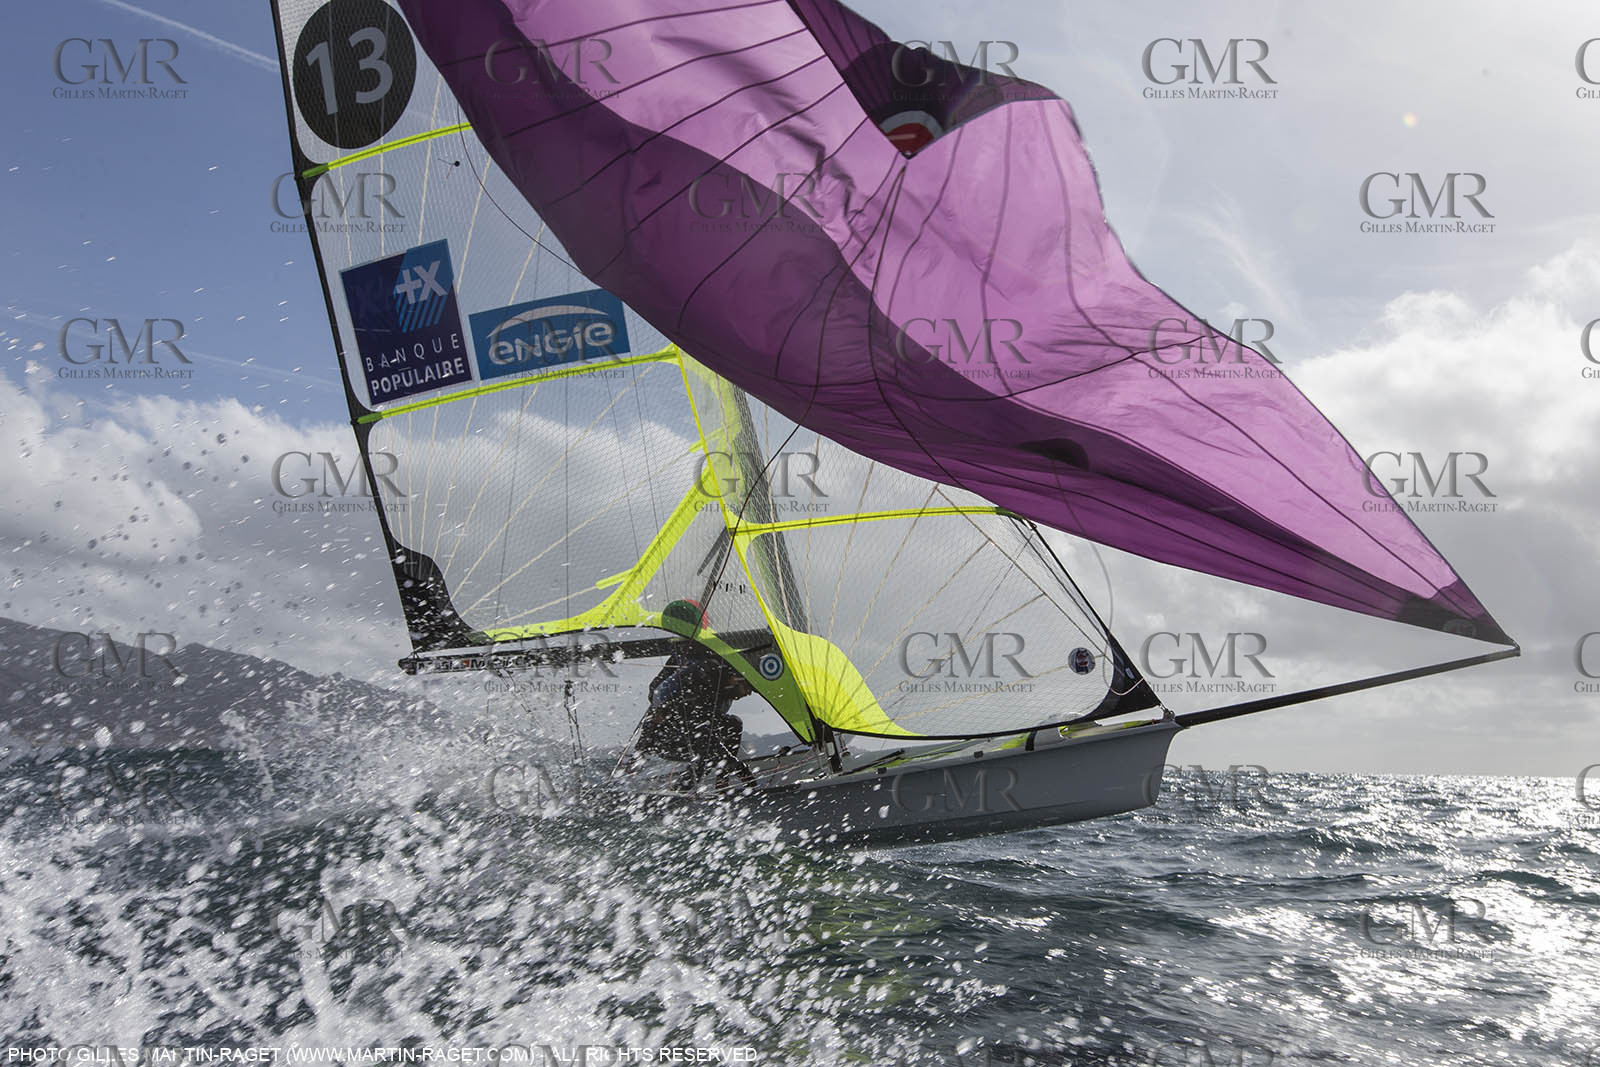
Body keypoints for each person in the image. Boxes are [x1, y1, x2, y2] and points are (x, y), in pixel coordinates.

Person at [634, 600, 756, 785]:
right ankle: (687, 788)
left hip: (695, 738)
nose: (749, 694)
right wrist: (663, 711)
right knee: (706, 738)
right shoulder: (705, 671)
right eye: (747, 688)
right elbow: (656, 690)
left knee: (731, 724)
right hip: (667, 738)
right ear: (735, 678)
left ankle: (719, 783)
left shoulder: (714, 674)